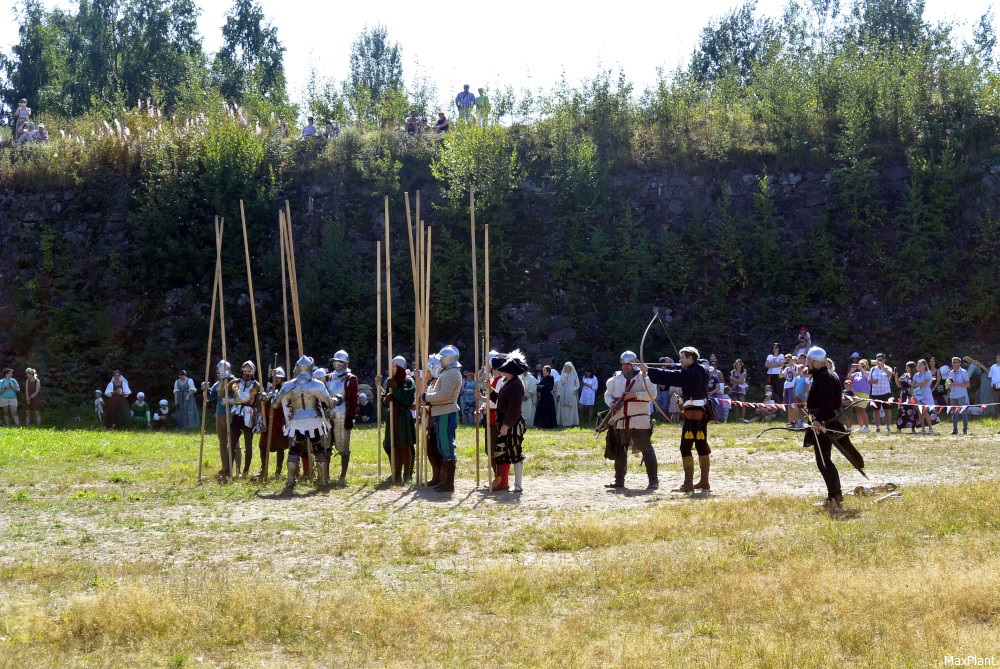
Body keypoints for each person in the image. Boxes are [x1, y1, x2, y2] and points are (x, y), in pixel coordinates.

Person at [643, 349, 712, 492]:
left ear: (691, 357)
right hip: (702, 413)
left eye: (682, 358)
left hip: (693, 414)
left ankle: (689, 484)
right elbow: (700, 362)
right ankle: (704, 482)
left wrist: (649, 370)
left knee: (685, 447)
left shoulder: (690, 373)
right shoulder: (703, 368)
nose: (679, 360)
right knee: (701, 445)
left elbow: (672, 376)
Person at [802, 347, 857, 510]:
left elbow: (827, 403)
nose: (807, 364)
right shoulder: (827, 375)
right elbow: (832, 402)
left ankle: (834, 496)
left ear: (817, 363)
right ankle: (834, 495)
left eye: (809, 361)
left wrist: (819, 420)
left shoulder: (824, 377)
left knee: (824, 461)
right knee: (824, 460)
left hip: (824, 424)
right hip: (827, 421)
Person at [276, 356, 336, 492]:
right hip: (314, 421)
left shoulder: (289, 385)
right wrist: (338, 399)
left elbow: (275, 403)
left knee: (295, 449)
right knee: (318, 449)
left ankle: (291, 480)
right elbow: (329, 402)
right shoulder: (317, 384)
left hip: (297, 421)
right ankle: (323, 480)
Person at [603, 351, 659, 490]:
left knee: (646, 449)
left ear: (634, 364)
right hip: (621, 421)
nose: (625, 366)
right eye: (623, 364)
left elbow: (652, 395)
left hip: (640, 421)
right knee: (620, 451)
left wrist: (634, 395)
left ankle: (653, 480)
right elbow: (608, 395)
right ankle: (619, 481)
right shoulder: (615, 379)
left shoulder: (645, 378)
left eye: (628, 364)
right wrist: (611, 403)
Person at [423, 345, 462, 492]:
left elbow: (444, 395)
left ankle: (449, 482)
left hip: (446, 412)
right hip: (441, 412)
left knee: (446, 446)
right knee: (442, 446)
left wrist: (425, 397)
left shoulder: (452, 373)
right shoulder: (448, 372)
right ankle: (445, 480)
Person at [490, 350, 529, 492]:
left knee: (515, 452)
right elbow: (501, 401)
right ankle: (504, 482)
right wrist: (490, 392)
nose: (503, 372)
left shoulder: (517, 385)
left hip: (513, 423)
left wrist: (506, 424)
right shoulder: (508, 382)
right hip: (505, 422)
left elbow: (514, 409)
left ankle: (518, 484)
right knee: (503, 453)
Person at [325, 350, 360, 486]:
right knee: (325, 444)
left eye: (338, 361)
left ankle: (342, 475)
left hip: (342, 413)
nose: (335, 363)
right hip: (328, 413)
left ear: (345, 363)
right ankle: (325, 474)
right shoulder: (328, 377)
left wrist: (348, 411)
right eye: (334, 361)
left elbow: (353, 398)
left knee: (343, 445)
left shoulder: (350, 378)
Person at [381, 355, 416, 485]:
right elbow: (385, 396)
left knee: (404, 445)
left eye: (394, 366)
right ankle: (396, 472)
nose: (391, 369)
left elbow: (405, 398)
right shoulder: (391, 380)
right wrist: (386, 399)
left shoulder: (408, 381)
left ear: (400, 368)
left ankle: (407, 474)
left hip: (403, 416)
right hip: (392, 415)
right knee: (390, 444)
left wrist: (395, 389)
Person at [229, 361, 263, 478]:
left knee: (248, 445)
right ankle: (229, 469)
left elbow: (255, 401)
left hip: (248, 414)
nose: (247, 373)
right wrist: (226, 380)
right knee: (232, 444)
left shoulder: (256, 385)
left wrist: (259, 416)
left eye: (249, 371)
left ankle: (246, 471)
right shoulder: (236, 382)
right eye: (245, 370)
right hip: (236, 414)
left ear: (253, 372)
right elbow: (224, 392)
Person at [204, 361, 238, 478]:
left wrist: (229, 400)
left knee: (235, 444)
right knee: (223, 443)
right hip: (220, 415)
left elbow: (239, 398)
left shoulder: (234, 382)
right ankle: (225, 467)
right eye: (219, 373)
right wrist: (205, 390)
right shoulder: (218, 384)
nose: (221, 375)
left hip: (232, 415)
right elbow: (209, 397)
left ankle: (237, 469)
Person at [259, 367, 289, 479]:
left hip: (280, 420)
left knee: (280, 446)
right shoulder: (267, 389)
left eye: (279, 377)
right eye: (275, 377)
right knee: (263, 445)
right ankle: (264, 469)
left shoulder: (285, 389)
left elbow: (286, 404)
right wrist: (263, 398)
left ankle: (278, 471)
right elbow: (264, 405)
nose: (276, 379)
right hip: (268, 420)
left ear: (282, 379)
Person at [946, 356, 971, 435]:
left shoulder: (964, 372)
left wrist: (956, 384)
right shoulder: (951, 372)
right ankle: (955, 430)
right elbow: (950, 383)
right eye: (953, 362)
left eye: (956, 362)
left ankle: (965, 430)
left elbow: (968, 384)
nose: (954, 363)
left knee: (963, 413)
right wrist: (949, 386)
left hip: (961, 395)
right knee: (954, 413)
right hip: (953, 395)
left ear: (960, 363)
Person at [912, 359, 936, 434]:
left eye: (920, 365)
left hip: (926, 394)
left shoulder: (927, 373)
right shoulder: (916, 375)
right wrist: (913, 393)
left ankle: (930, 428)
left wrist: (917, 385)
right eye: (918, 365)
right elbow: (913, 386)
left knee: (924, 411)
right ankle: (923, 429)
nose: (918, 366)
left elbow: (924, 384)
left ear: (925, 366)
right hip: (918, 394)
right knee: (920, 411)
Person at [849, 360, 871, 432]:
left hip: (864, 393)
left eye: (863, 366)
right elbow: (849, 378)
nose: (861, 367)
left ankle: (867, 427)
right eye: (860, 366)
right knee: (858, 409)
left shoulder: (868, 373)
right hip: (855, 393)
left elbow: (869, 379)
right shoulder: (856, 374)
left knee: (862, 409)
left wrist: (863, 370)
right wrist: (851, 371)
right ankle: (861, 427)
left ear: (866, 367)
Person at [555, 361, 580, 426]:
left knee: (570, 408)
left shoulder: (574, 375)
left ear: (571, 368)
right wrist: (566, 375)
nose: (567, 368)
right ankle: (563, 422)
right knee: (564, 408)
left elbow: (577, 384)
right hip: (563, 393)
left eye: (568, 367)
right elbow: (562, 382)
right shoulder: (563, 374)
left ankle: (571, 422)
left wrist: (573, 389)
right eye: (566, 367)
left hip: (571, 394)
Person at [989, 353, 1000, 418]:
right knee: (996, 401)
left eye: (999, 358)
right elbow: (990, 376)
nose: (998, 359)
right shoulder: (993, 367)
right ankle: (998, 415)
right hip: (995, 386)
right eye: (997, 358)